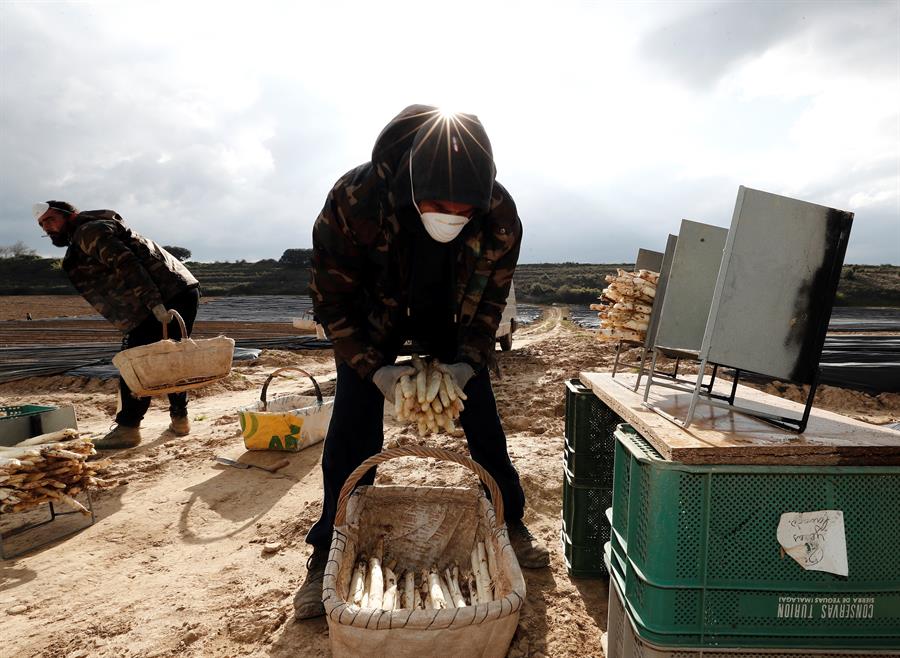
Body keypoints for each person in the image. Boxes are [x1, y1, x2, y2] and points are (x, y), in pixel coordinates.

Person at [294, 105, 550, 620]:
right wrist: (375, 368)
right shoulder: (355, 201)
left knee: (481, 418)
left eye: (464, 209)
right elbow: (332, 302)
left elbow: (491, 307)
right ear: (411, 182)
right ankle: (328, 547)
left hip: (450, 320)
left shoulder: (498, 216)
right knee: (352, 428)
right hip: (374, 321)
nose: (451, 215)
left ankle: (509, 522)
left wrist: (468, 363)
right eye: (437, 204)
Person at [33, 200, 200, 449]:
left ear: (70, 215)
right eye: (42, 224)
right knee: (171, 356)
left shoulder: (88, 231)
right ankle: (180, 419)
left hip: (163, 296)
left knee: (134, 361)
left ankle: (128, 429)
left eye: (51, 219)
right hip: (178, 289)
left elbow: (126, 263)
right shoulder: (89, 230)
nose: (47, 227)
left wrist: (154, 303)